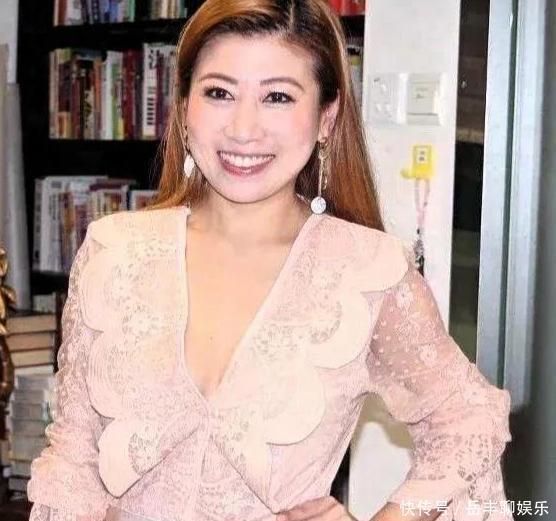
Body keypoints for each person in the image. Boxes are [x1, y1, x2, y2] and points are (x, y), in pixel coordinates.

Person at [27, 1, 513, 520]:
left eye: (277, 97)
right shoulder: (113, 251)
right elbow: (72, 462)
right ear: (185, 107)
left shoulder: (368, 271)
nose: (243, 129)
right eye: (219, 93)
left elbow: (469, 420)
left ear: (326, 118)